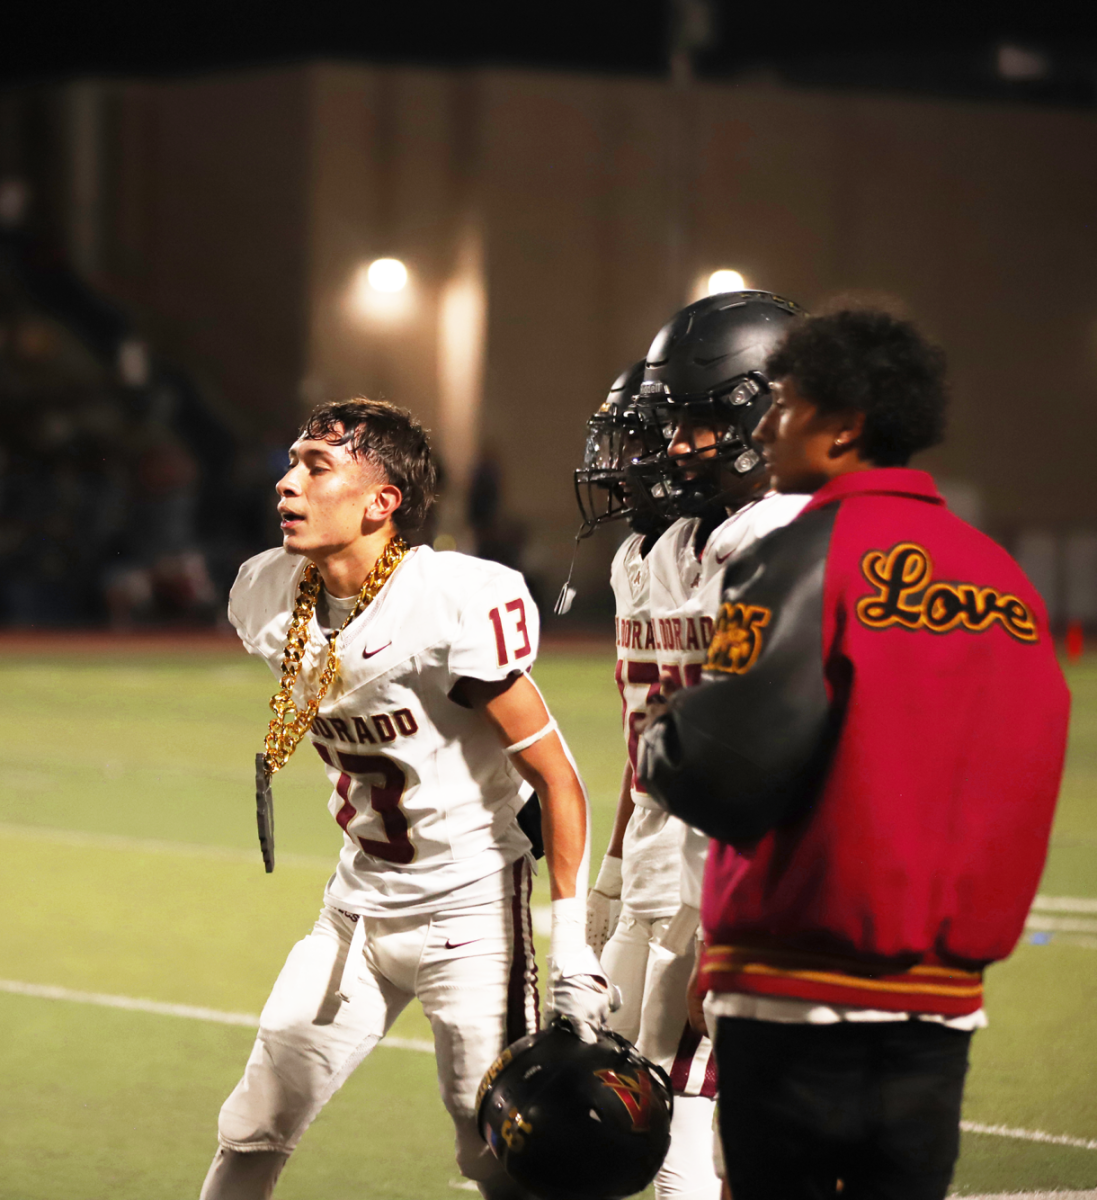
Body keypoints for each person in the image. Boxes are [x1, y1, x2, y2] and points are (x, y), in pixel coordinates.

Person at [638, 309, 1071, 1200]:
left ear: (843, 428)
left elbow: (721, 766)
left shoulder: (796, 555)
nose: (764, 427)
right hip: (942, 995)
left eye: (785, 406)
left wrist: (662, 740)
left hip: (796, 983)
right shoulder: (1000, 574)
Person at [201, 398, 610, 1200]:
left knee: (496, 1147)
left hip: (469, 912)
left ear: (380, 502)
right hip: (355, 910)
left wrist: (571, 947)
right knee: (254, 1120)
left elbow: (557, 779)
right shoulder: (270, 591)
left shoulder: (448, 602)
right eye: (292, 462)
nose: (287, 483)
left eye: (316, 468)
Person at [599, 291, 808, 1200]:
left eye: (694, 420)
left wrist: (735, 921)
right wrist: (607, 879)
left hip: (724, 879)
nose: (671, 447)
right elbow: (648, 738)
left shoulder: (777, 542)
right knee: (608, 1104)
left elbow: (775, 752)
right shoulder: (663, 547)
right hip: (658, 863)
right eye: (663, 423)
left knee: (687, 1126)